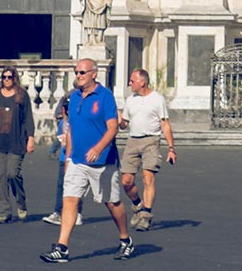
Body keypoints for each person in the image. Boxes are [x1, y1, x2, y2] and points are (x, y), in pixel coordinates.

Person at [41, 58, 132, 263]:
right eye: (76, 72)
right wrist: (68, 157)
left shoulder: (105, 96)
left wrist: (98, 148)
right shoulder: (74, 98)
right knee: (70, 200)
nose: (78, 76)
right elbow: (71, 129)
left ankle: (125, 239)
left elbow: (112, 128)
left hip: (103, 161)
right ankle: (62, 247)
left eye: (82, 72)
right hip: (77, 161)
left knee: (112, 203)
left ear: (94, 73)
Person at [117, 68, 176, 232]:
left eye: (132, 81)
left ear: (142, 82)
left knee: (147, 178)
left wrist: (171, 148)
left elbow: (165, 124)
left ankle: (146, 215)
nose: (129, 83)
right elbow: (124, 125)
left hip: (151, 140)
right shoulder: (130, 100)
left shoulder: (158, 99)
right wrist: (119, 119)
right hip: (132, 141)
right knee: (126, 181)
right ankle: (138, 205)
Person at [0, 66, 35, 223]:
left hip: (17, 140)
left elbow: (28, 118)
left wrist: (30, 138)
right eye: (4, 77)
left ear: (15, 78)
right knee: (0, 177)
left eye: (9, 77)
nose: (6, 80)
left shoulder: (22, 95)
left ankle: (21, 203)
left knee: (13, 174)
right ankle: (4, 211)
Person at [40, 90, 68, 226]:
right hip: (65, 158)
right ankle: (58, 212)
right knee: (62, 185)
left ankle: (73, 213)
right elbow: (62, 141)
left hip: (77, 158)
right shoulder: (63, 123)